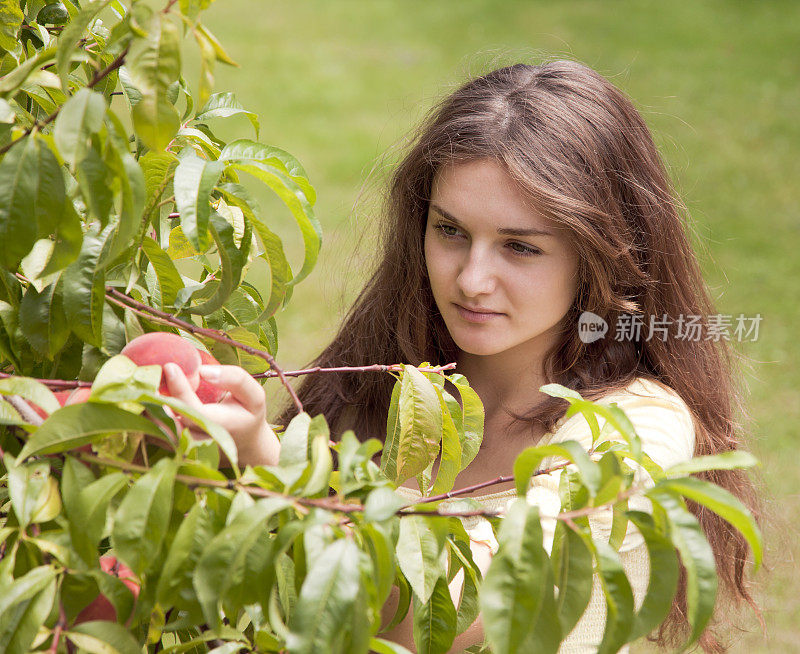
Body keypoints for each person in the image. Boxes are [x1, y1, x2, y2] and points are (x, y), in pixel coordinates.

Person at [164, 59, 762, 652]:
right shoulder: (382, 387)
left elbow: (449, 612)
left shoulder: (636, 430)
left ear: (598, 255)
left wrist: (267, 462)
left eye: (520, 248)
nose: (472, 279)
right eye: (450, 231)